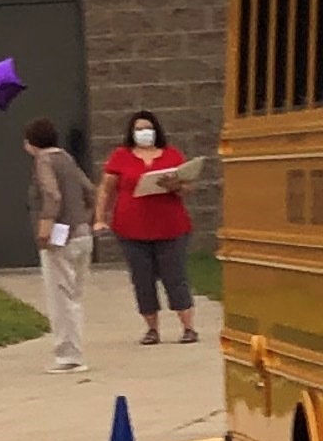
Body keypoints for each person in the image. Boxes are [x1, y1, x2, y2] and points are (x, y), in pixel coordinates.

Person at [100, 108, 197, 344]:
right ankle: (152, 328)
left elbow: (187, 187)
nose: (145, 133)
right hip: (132, 229)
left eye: (148, 128)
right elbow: (106, 189)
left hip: (170, 227)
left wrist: (174, 185)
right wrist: (99, 217)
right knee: (142, 279)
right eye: (139, 129)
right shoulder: (121, 156)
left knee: (175, 277)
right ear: (132, 132)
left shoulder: (171, 154)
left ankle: (188, 327)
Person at [24, 115, 96, 372]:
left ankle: (68, 355)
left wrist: (45, 229)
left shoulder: (44, 160)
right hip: (82, 233)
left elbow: (52, 195)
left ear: (31, 142)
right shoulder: (67, 158)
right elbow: (89, 190)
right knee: (74, 296)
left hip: (60, 237)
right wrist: (84, 218)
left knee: (60, 297)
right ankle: (74, 349)